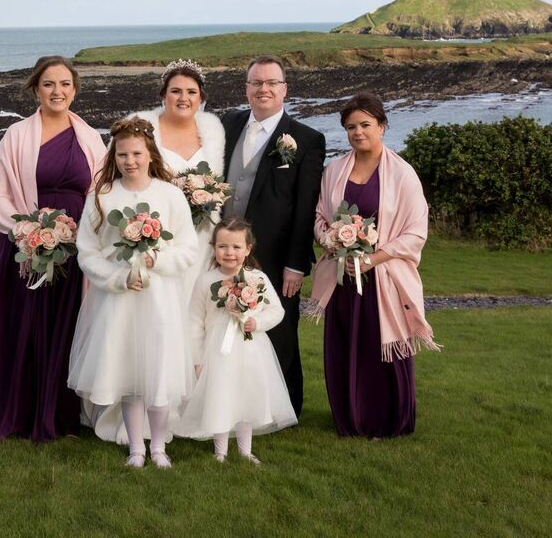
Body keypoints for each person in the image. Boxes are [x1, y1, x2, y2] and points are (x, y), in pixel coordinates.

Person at [0, 56, 107, 443]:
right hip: (29, 246)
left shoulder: (88, 136)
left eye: (65, 84)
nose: (58, 92)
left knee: (68, 326)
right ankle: (18, 410)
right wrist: (25, 229)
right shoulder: (17, 136)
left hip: (75, 245)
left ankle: (63, 414)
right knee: (23, 325)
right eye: (49, 84)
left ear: (75, 89)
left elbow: (102, 190)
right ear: (36, 89)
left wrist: (93, 233)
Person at [68, 117, 199, 468]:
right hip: (119, 300)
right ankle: (136, 448)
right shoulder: (103, 197)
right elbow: (88, 250)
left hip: (159, 299)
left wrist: (157, 260)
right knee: (127, 370)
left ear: (150, 154)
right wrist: (117, 278)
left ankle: (158, 446)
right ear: (114, 156)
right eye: (123, 155)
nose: (130, 161)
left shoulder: (169, 195)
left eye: (137, 154)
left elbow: (187, 248)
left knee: (156, 370)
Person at [310, 92, 438, 438]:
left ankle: (390, 420)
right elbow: (321, 217)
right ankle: (350, 420)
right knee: (345, 347)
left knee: (381, 349)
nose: (358, 132)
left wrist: (372, 259)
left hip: (383, 279)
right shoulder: (335, 171)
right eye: (351, 127)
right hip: (343, 279)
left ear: (381, 126)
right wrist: (333, 241)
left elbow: (415, 232)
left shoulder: (403, 174)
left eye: (365, 124)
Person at [222, 55, 325, 417]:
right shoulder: (228, 124)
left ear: (284, 89)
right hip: (222, 251)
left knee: (278, 331)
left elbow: (304, 207)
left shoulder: (307, 140)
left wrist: (296, 264)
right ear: (246, 88)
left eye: (271, 83)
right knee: (225, 325)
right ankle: (229, 406)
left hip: (277, 255)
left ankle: (283, 411)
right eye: (256, 83)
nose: (263, 89)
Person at [177, 217, 296, 464]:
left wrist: (257, 322)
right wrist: (197, 359)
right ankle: (220, 450)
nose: (229, 252)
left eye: (236, 247)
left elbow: (277, 311)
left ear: (248, 249)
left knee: (246, 397)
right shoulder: (205, 281)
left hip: (250, 349)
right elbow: (195, 323)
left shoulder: (258, 279)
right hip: (217, 352)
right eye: (223, 246)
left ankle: (245, 450)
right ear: (213, 248)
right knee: (220, 396)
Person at [132, 58, 226, 297]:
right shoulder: (141, 127)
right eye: (176, 91)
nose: (184, 98)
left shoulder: (213, 130)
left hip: (202, 240)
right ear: (164, 95)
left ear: (201, 98)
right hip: (158, 239)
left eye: (191, 92)